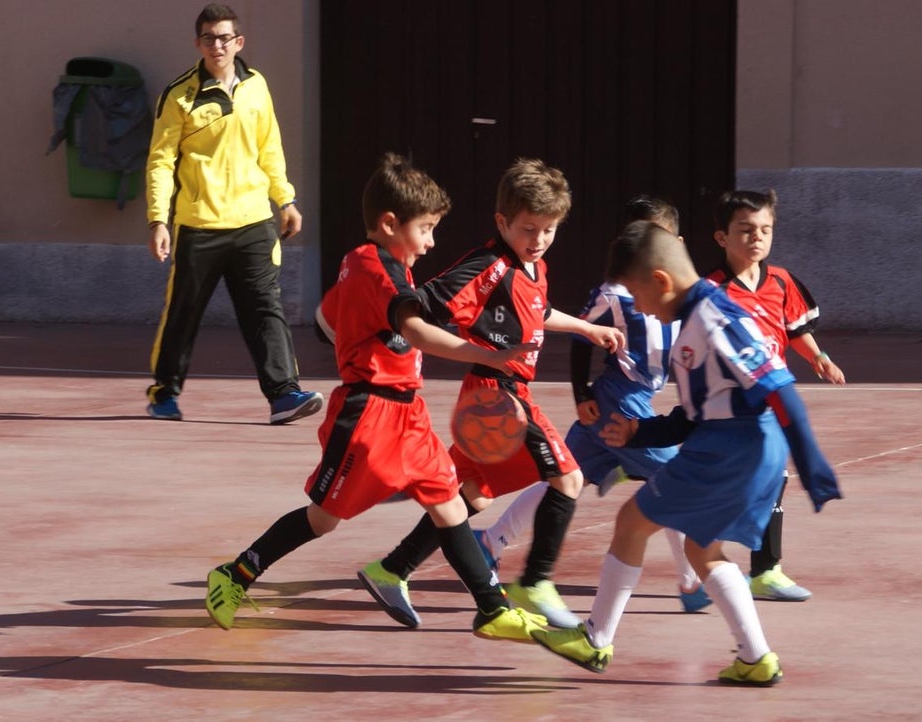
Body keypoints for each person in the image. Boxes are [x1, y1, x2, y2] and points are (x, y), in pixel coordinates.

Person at [204, 152, 549, 644]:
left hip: (409, 412)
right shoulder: (379, 271)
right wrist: (489, 355)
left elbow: (325, 322)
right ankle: (236, 573)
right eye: (425, 229)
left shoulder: (362, 265)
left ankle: (493, 610)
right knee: (324, 519)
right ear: (389, 224)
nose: (431, 242)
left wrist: (358, 337)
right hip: (368, 416)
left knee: (450, 504)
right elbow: (419, 331)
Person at [532, 220, 841, 685]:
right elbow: (693, 415)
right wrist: (639, 431)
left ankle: (595, 639)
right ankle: (756, 659)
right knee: (701, 546)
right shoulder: (695, 321)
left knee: (631, 523)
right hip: (738, 446)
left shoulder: (718, 319)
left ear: (660, 281)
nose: (640, 309)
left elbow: (781, 389)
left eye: (638, 296)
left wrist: (812, 463)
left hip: (733, 448)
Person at [356, 158, 625, 631]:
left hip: (498, 394)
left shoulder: (533, 267)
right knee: (569, 479)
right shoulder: (488, 265)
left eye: (548, 230)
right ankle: (535, 581)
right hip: (496, 395)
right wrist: (389, 335)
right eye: (528, 229)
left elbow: (538, 313)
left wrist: (586, 328)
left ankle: (392, 569)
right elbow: (423, 302)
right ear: (502, 222)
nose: (538, 239)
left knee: (471, 496)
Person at [470, 196, 710, 613]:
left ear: (678, 244)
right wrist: (581, 394)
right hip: (617, 401)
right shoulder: (615, 293)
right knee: (675, 477)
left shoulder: (679, 292)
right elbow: (582, 338)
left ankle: (490, 542)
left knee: (565, 477)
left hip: (636, 397)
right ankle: (691, 582)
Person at [144, 3, 322, 425]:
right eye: (209, 38)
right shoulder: (179, 95)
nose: (217, 46)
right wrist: (158, 220)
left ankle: (284, 395)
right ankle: (165, 393)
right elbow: (161, 161)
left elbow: (270, 148)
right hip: (199, 224)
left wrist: (285, 200)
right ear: (198, 43)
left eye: (224, 38)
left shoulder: (256, 86)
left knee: (265, 309)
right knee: (183, 313)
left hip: (253, 222)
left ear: (238, 42)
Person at [708, 189, 846, 602]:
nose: (757, 237)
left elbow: (794, 329)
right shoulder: (710, 290)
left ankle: (765, 571)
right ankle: (700, 568)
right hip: (728, 404)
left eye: (765, 230)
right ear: (722, 237)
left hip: (769, 400)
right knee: (724, 487)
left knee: (773, 479)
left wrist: (819, 358)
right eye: (746, 229)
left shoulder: (782, 282)